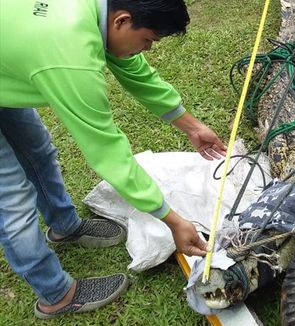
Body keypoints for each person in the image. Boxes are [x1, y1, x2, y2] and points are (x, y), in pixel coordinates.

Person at [0, 0, 227, 319]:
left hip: (10, 55)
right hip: (40, 49)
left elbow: (135, 69)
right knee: (12, 201)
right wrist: (172, 220)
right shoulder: (70, 55)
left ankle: (65, 226)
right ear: (122, 21)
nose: (146, 49)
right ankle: (56, 295)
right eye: (148, 40)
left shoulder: (100, 11)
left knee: (37, 151)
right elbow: (107, 151)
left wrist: (192, 125)